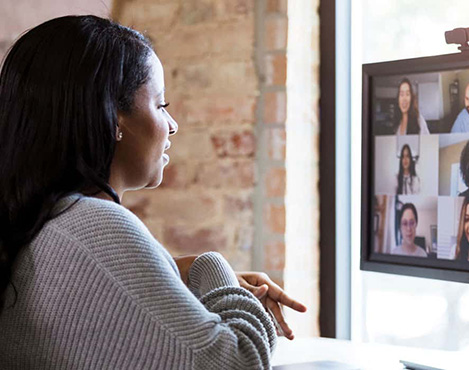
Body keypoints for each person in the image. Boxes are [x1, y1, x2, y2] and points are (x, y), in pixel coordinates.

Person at [0, 16, 306, 369]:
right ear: (114, 117)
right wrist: (212, 266)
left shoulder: (35, 221)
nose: (172, 125)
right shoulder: (95, 224)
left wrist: (174, 272)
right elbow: (238, 361)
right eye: (161, 105)